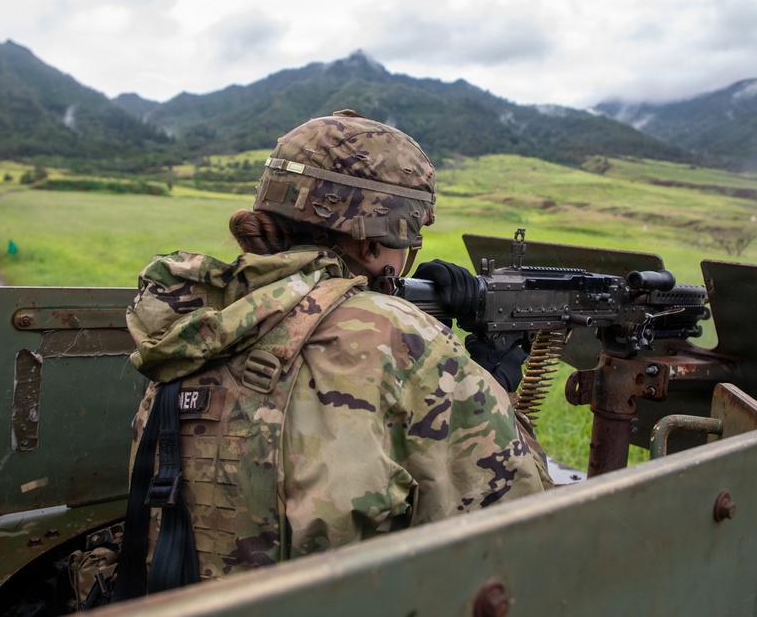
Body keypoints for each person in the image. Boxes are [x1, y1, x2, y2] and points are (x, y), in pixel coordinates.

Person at [122, 110, 552, 589]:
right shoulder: (398, 335)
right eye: (411, 238)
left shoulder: (207, 307)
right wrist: (490, 385)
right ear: (373, 242)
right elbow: (515, 512)